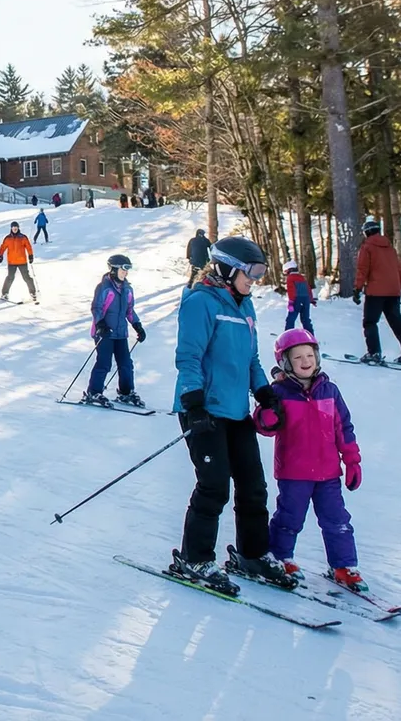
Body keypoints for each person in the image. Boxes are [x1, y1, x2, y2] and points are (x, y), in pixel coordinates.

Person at [167, 234, 292, 594]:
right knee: (214, 485)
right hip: (203, 409)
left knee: (253, 487)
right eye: (249, 273)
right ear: (225, 269)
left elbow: (250, 359)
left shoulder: (245, 306)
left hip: (237, 410)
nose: (254, 280)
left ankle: (252, 554)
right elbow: (188, 357)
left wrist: (264, 393)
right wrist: (194, 403)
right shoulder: (201, 302)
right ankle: (195, 558)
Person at [254, 328, 366, 592]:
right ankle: (281, 558)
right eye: (298, 357)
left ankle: (343, 565)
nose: (306, 361)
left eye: (310, 355)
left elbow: (344, 428)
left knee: (337, 520)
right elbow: (262, 425)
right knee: (289, 518)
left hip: (328, 473)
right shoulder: (279, 392)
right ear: (285, 362)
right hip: (294, 472)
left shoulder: (330, 391)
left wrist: (352, 461)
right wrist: (268, 414)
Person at [84, 254, 147, 407]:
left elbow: (130, 310)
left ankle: (126, 392)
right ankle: (94, 392)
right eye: (123, 268)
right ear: (113, 269)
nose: (126, 272)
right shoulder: (104, 288)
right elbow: (96, 308)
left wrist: (137, 325)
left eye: (128, 269)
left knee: (126, 363)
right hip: (104, 332)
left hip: (120, 333)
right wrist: (101, 324)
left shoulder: (128, 289)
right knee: (104, 363)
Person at [353, 220, 401, 365]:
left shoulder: (367, 247)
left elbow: (363, 269)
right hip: (393, 291)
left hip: (375, 292)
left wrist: (357, 288)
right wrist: (397, 286)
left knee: (370, 322)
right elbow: (399, 269)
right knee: (397, 322)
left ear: (367, 232)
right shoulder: (390, 248)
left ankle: (374, 353)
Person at [0, 221, 38, 302]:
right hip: (11, 262)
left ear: (18, 228)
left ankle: (33, 293)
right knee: (10, 278)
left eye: (16, 227)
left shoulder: (23, 237)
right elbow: (3, 247)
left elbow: (28, 246)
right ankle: (5, 294)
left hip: (22, 261)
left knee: (26, 277)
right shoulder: (8, 238)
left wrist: (30, 255)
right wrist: (0, 255)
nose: (15, 229)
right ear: (11, 228)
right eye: (13, 227)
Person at [283, 258, 315, 333]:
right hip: (306, 300)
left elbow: (291, 291)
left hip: (296, 300)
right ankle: (310, 336)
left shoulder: (290, 278)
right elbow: (308, 288)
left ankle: (288, 335)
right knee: (305, 319)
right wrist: (311, 299)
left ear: (289, 270)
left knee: (290, 319)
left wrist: (291, 302)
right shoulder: (301, 277)